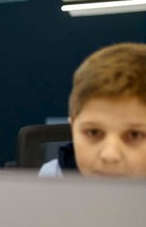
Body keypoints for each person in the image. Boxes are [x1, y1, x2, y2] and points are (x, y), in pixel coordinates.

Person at [39, 42, 146, 178]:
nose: (109, 155)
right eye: (93, 132)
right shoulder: (52, 178)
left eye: (135, 134)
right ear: (72, 129)